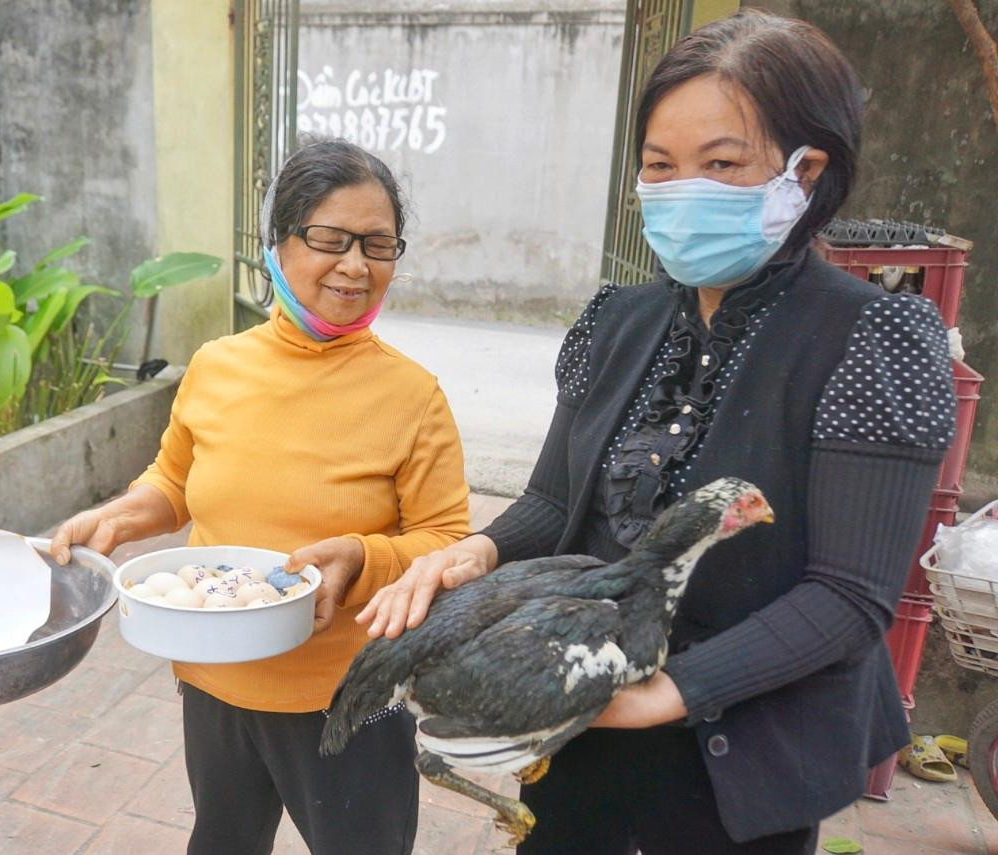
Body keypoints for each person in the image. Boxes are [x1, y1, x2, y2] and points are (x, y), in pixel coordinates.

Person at [357, 10, 956, 854]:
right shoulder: (618, 320)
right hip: (581, 710)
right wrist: (476, 553)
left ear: (806, 171)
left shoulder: (871, 340)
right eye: (660, 166)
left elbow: (848, 597)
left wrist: (665, 692)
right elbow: (554, 502)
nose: (682, 190)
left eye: (721, 163)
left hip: (743, 755)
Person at [51, 138, 471, 855]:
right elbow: (174, 481)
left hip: (348, 695)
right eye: (330, 238)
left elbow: (448, 543)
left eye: (377, 245)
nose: (356, 265)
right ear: (277, 244)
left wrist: (362, 557)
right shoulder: (216, 366)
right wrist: (117, 517)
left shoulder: (413, 395)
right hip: (214, 677)